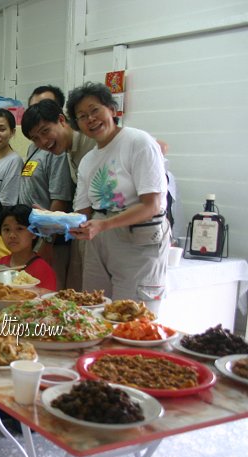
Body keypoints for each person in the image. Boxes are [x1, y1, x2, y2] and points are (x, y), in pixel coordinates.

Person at [66, 82, 170, 311]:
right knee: (94, 310)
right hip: (99, 242)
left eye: (95, 110)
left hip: (138, 239)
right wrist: (52, 222)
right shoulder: (87, 161)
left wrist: (104, 224)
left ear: (112, 109)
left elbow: (151, 205)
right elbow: (82, 212)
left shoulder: (139, 142)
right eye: (82, 116)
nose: (90, 119)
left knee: (131, 315)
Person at [19, 98, 76, 289]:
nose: (42, 141)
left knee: (50, 290)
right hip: (33, 234)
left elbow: (59, 198)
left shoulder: (57, 152)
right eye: (35, 137)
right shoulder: (34, 148)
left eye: (45, 132)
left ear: (61, 119)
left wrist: (48, 241)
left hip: (52, 238)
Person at [0, 205, 57, 290]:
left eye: (19, 229)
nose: (12, 235)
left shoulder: (43, 270)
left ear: (34, 233)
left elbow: (48, 301)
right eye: (7, 230)